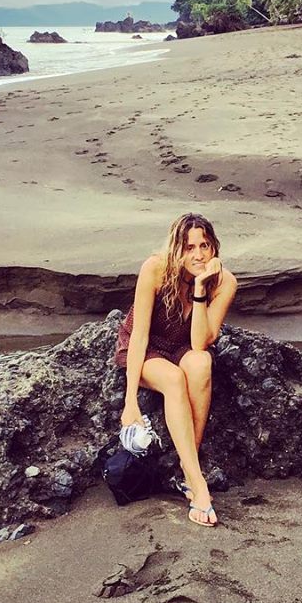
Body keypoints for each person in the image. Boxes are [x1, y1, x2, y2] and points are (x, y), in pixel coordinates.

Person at [114, 213, 238, 527]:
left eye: (204, 246)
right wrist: (130, 403)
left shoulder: (225, 282)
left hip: (183, 345)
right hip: (146, 348)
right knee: (173, 378)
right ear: (176, 248)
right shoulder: (155, 268)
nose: (197, 254)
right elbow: (139, 334)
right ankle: (199, 486)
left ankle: (187, 471)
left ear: (214, 248)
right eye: (189, 247)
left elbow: (200, 342)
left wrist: (199, 287)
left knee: (201, 363)